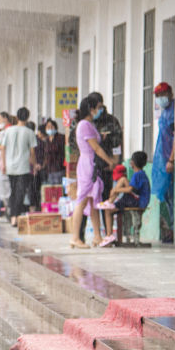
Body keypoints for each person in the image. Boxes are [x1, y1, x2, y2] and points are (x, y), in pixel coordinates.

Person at [69, 97, 118, 248]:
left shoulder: (87, 125)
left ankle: (97, 236)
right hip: (88, 164)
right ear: (91, 109)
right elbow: (95, 147)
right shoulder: (85, 125)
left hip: (90, 163)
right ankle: (75, 237)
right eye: (98, 107)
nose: (99, 110)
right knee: (82, 200)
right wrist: (110, 161)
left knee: (92, 200)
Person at [0, 107, 36, 227]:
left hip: (10, 166)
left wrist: (4, 165)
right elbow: (32, 153)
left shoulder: (9, 131)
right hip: (23, 167)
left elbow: (3, 149)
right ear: (27, 117)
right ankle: (15, 216)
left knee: (13, 191)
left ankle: (12, 216)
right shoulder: (29, 132)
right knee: (20, 192)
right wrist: (35, 165)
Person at [99, 151, 151, 245]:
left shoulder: (137, 174)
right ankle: (109, 235)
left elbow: (130, 189)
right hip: (137, 199)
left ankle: (109, 235)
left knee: (108, 209)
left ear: (132, 163)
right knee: (108, 209)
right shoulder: (141, 174)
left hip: (137, 201)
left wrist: (116, 190)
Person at [151, 81, 175, 244]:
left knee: (172, 196)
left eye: (163, 95)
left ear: (170, 94)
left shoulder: (174, 113)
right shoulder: (164, 111)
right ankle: (170, 230)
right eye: (158, 96)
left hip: (169, 161)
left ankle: (174, 229)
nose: (160, 99)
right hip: (161, 159)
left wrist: (171, 159)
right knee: (166, 195)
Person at [36, 118, 65, 185]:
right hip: (49, 169)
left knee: (59, 189)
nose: (50, 128)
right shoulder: (47, 140)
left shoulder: (61, 138)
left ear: (56, 127)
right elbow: (45, 154)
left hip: (59, 168)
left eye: (52, 126)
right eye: (48, 127)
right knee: (51, 191)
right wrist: (43, 165)